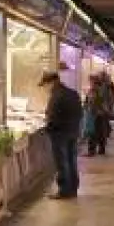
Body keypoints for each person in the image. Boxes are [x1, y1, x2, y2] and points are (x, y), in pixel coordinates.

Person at [42, 70, 83, 198]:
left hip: (59, 134)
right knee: (71, 160)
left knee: (62, 162)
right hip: (73, 131)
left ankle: (64, 190)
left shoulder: (56, 96)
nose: (45, 88)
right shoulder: (73, 93)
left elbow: (52, 117)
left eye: (45, 84)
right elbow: (80, 113)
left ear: (52, 82)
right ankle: (73, 188)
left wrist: (48, 128)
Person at [84, 72, 114, 156]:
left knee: (93, 132)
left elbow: (93, 102)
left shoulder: (95, 91)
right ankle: (101, 149)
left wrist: (88, 107)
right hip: (102, 113)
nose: (90, 83)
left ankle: (91, 150)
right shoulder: (104, 89)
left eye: (90, 81)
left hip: (96, 114)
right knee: (101, 132)